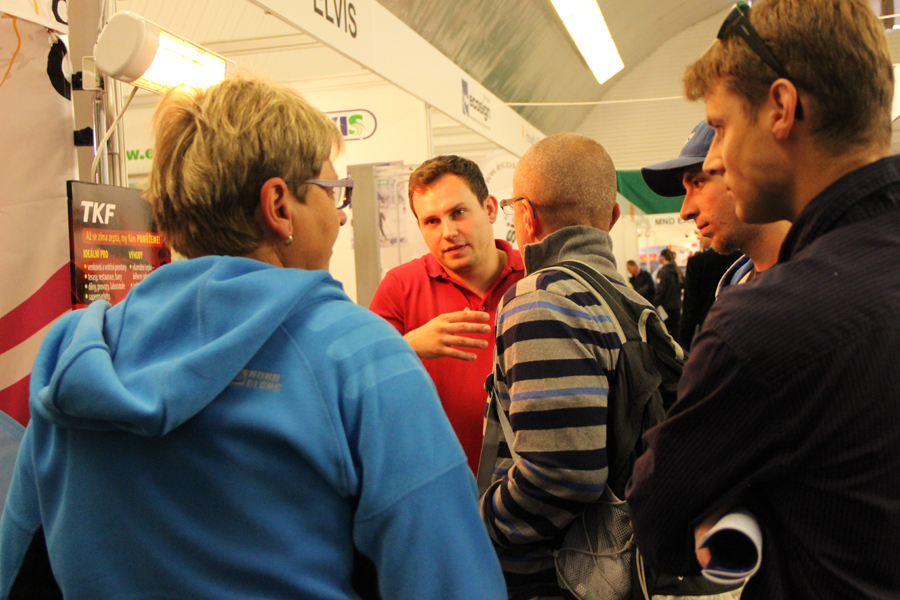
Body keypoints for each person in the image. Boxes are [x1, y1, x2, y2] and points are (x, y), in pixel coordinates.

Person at [0, 76, 506, 599]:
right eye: (332, 192)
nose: (339, 215)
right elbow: (452, 583)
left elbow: (18, 570)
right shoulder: (359, 356)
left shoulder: (73, 353)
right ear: (279, 206)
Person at [626, 1, 900, 599]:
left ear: (780, 107)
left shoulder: (768, 324)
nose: (716, 158)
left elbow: (660, 521)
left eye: (721, 127)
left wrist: (747, 503)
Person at [479, 132, 651, 600]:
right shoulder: (629, 301)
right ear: (612, 217)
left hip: (553, 576)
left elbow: (561, 474)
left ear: (526, 216)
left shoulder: (542, 298)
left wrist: (480, 523)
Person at [369, 156, 525, 473]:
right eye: (432, 221)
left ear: (490, 209)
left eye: (458, 213)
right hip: (435, 482)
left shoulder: (535, 277)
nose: (448, 232)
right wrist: (407, 345)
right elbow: (358, 383)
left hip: (529, 483)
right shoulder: (399, 287)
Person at [641, 119, 789, 347]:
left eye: (698, 183)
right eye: (686, 189)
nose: (685, 211)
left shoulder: (823, 288)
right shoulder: (735, 286)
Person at [653, 248, 682, 337]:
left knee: (667, 335)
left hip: (666, 309)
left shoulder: (663, 272)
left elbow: (660, 291)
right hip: (676, 308)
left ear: (663, 257)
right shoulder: (678, 271)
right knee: (676, 335)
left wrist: (654, 305)